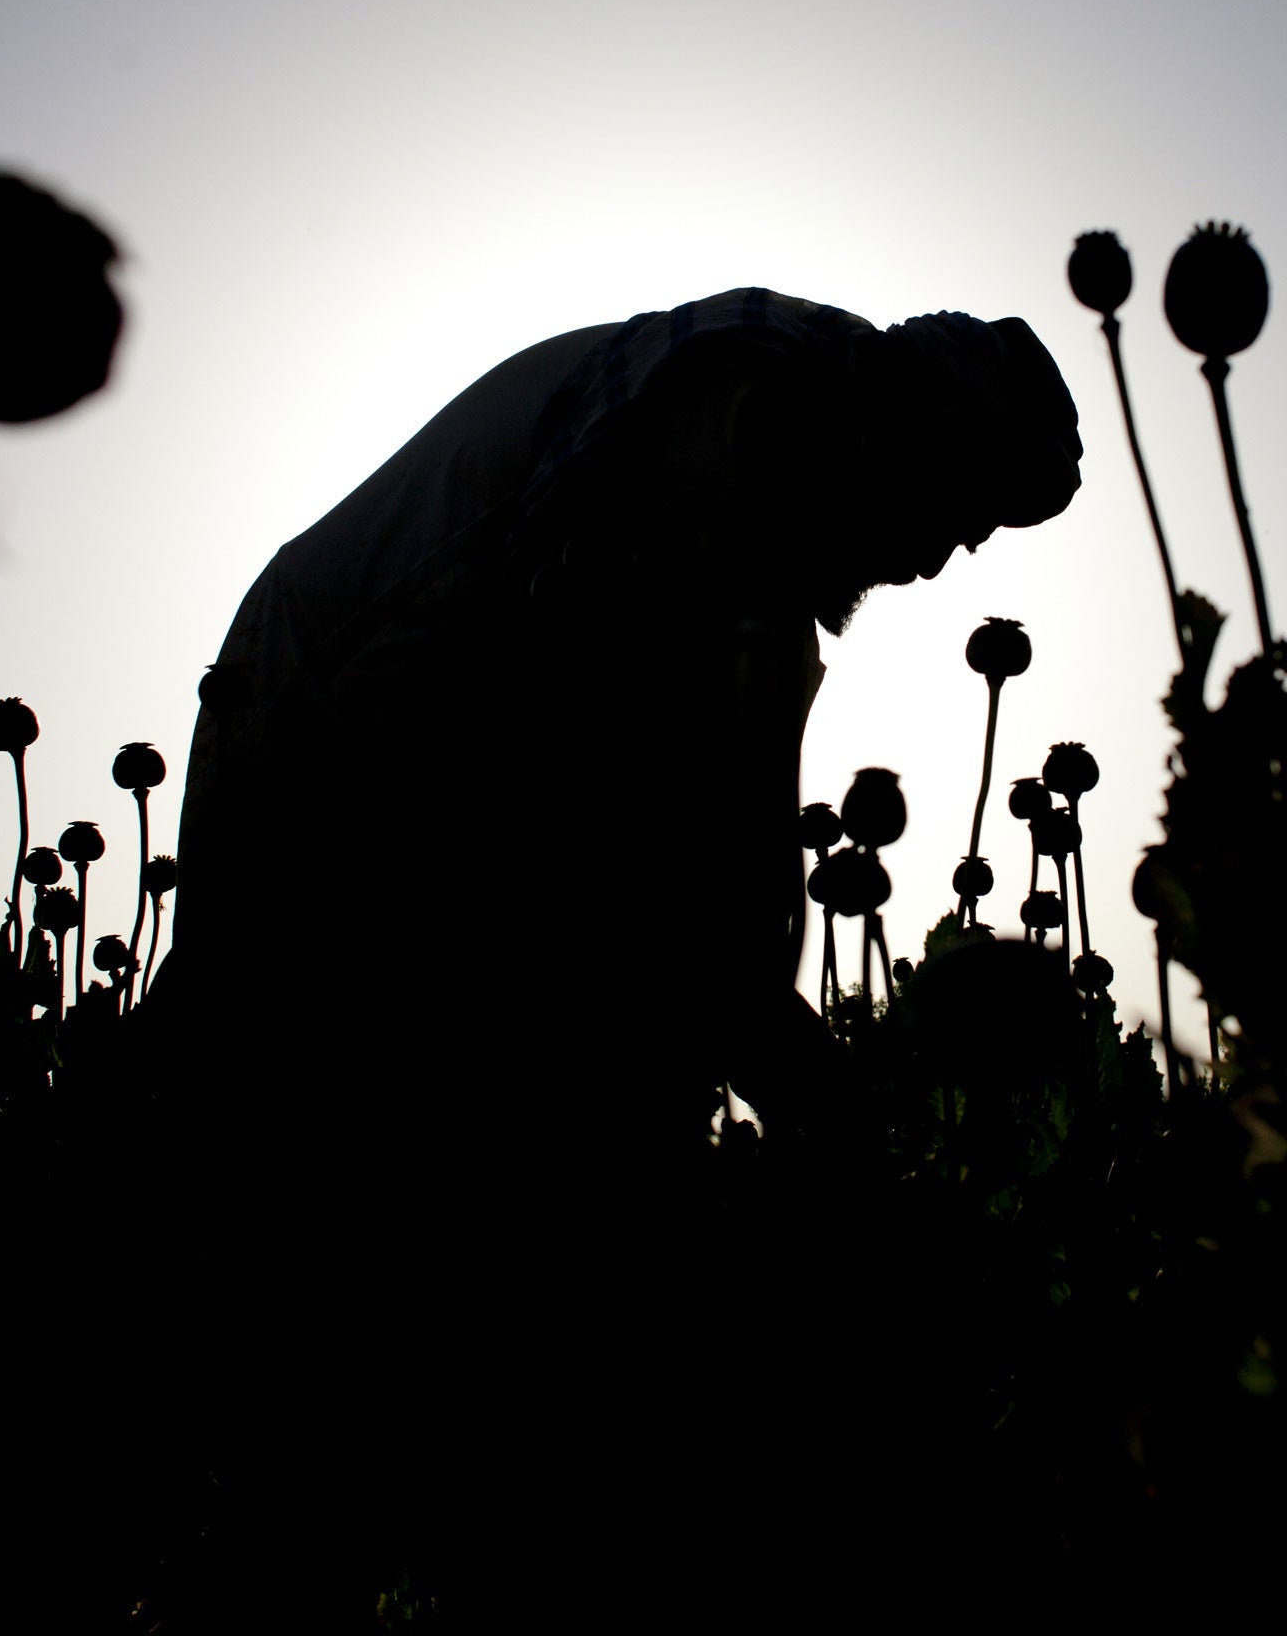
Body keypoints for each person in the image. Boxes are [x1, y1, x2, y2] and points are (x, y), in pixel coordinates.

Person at [141, 287, 1080, 1618]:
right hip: (334, 709)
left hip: (432, 745)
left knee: (504, 1181)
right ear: (915, 418)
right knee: (314, 1170)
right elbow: (692, 850)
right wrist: (821, 1126)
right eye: (960, 508)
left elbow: (698, 856)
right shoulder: (744, 423)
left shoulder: (768, 464)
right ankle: (261, 1558)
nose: (939, 563)